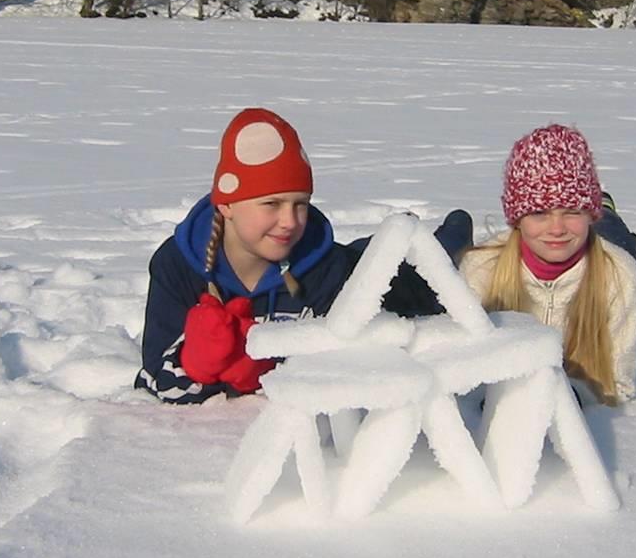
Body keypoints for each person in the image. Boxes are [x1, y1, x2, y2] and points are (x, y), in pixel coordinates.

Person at [135, 106, 470, 404]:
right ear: (226, 204)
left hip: (391, 279)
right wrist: (194, 363)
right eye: (271, 204)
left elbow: (356, 364)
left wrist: (266, 365)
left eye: (301, 204)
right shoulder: (177, 265)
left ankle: (447, 234)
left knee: (431, 262)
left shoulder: (328, 270)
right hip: (350, 257)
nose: (290, 222)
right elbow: (151, 380)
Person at [459, 124, 636, 406]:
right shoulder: (481, 268)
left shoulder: (620, 276)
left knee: (623, 247)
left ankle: (607, 213)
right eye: (539, 213)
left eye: (572, 211)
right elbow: (463, 369)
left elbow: (618, 385)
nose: (557, 228)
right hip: (583, 237)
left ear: (588, 212)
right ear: (517, 219)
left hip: (606, 255)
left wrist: (573, 398)